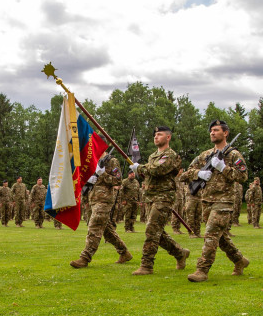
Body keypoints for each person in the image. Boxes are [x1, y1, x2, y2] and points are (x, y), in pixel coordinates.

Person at [185, 120, 249, 282]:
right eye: (211, 131)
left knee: (211, 234)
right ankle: (239, 260)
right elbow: (185, 173)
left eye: (216, 130)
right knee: (220, 238)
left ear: (225, 133)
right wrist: (199, 174)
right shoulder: (205, 155)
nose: (212, 133)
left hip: (224, 201)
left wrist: (223, 168)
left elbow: (243, 176)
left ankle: (202, 269)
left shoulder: (233, 154)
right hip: (206, 201)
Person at [130, 126, 190, 275]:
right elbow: (151, 171)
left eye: (160, 134)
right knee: (157, 232)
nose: (156, 137)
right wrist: (143, 169)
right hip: (151, 197)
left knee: (151, 230)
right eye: (155, 135)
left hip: (164, 198)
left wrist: (140, 168)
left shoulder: (171, 155)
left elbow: (158, 170)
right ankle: (179, 253)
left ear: (168, 137)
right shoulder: (152, 156)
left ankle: (147, 265)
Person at [70, 157, 132, 268]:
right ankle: (124, 253)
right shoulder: (93, 160)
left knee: (94, 226)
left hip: (104, 200)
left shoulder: (112, 161)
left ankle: (85, 258)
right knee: (107, 231)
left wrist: (102, 174)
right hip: (93, 200)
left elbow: (118, 180)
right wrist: (90, 178)